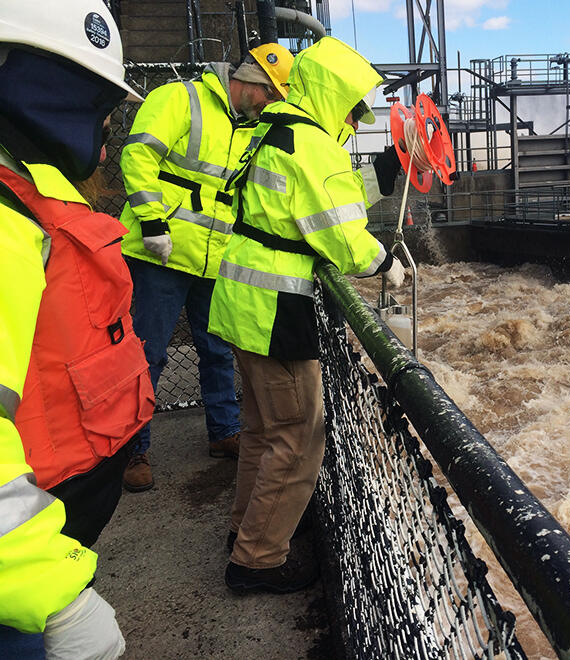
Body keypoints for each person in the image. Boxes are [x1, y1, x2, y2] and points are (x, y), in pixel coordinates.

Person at [208, 36, 405, 594]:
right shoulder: (312, 144)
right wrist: (383, 261)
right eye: (350, 105)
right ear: (331, 92)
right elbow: (341, 234)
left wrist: (385, 169)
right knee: (297, 438)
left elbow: (314, 203)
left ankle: (243, 532)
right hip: (276, 309)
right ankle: (257, 560)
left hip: (242, 298)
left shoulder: (273, 129)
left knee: (260, 431)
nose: (352, 117)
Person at [0, 0, 153, 656]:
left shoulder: (28, 184)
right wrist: (51, 593)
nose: (107, 120)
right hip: (21, 583)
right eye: (93, 98)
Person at [118, 43, 295, 492]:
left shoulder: (252, 127)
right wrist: (152, 220)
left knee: (217, 351)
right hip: (160, 251)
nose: (273, 104)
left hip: (212, 256)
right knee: (146, 353)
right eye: (271, 94)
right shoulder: (180, 99)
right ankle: (132, 450)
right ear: (251, 81)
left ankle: (223, 432)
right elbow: (137, 156)